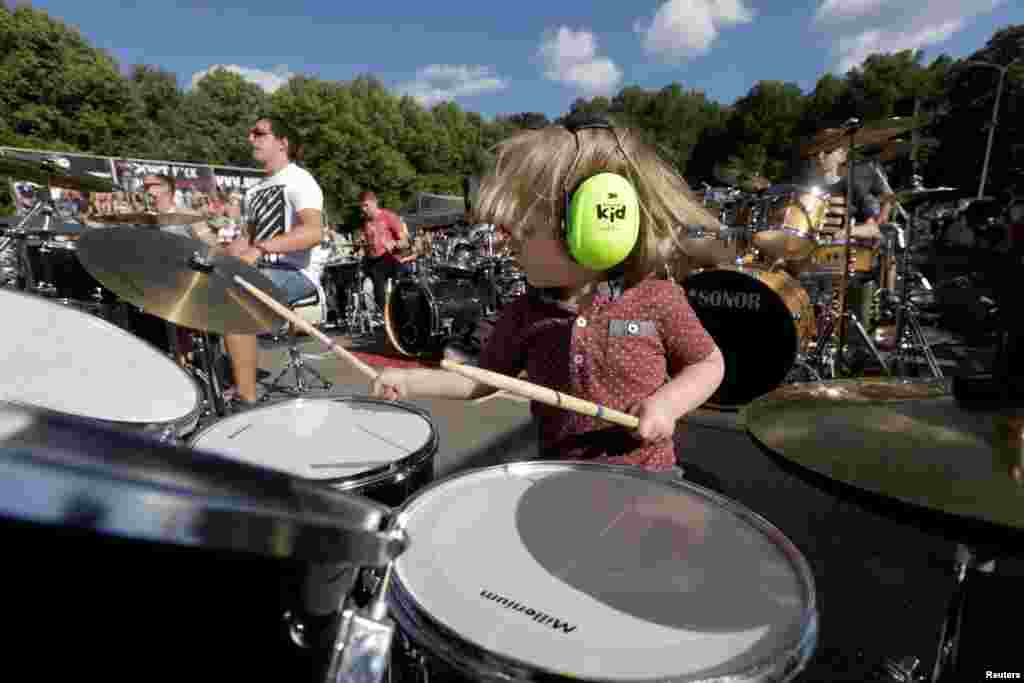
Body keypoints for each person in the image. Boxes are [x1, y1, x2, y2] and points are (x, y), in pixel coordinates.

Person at [369, 114, 726, 477]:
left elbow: (708, 363)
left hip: (649, 478)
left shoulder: (656, 299)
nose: (510, 245)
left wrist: (667, 404)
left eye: (523, 231)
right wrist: (411, 381)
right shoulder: (526, 312)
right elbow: (483, 379)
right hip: (559, 478)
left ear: (597, 228)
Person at [223, 115, 324, 407]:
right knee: (204, 285)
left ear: (283, 143)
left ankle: (247, 397)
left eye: (259, 133)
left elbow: (313, 231)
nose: (250, 138)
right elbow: (246, 240)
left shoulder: (300, 179)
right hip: (262, 267)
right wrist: (215, 258)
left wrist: (261, 249)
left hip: (295, 271)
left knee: (234, 299)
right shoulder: (254, 190)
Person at [359, 190, 410, 311]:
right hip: (372, 261)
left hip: (390, 259)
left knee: (378, 272)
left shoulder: (389, 216)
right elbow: (367, 247)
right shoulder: (365, 223)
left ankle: (384, 312)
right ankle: (366, 310)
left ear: (374, 203)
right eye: (361, 206)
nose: (363, 209)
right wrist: (360, 246)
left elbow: (406, 243)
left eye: (366, 205)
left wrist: (394, 244)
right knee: (354, 274)